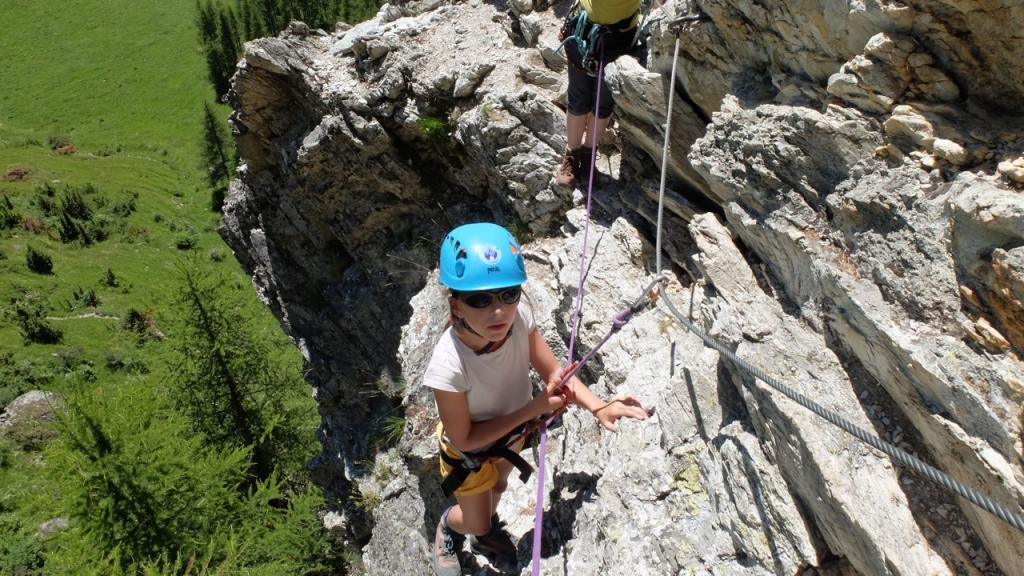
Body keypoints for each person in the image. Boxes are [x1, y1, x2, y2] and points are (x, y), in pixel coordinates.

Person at [425, 222, 649, 575]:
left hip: (510, 434)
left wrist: (599, 406)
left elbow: (554, 375)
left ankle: (483, 533)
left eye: (508, 294)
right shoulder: (447, 364)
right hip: (469, 449)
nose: (498, 311)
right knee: (477, 521)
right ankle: (451, 528)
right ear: (456, 306)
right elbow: (464, 437)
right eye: (480, 299)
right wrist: (534, 408)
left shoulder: (519, 319)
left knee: (499, 484)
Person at [555, 0, 654, 186]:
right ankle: (572, 155)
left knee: (603, 102)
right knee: (579, 96)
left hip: (618, 36)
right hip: (585, 29)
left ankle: (588, 155)